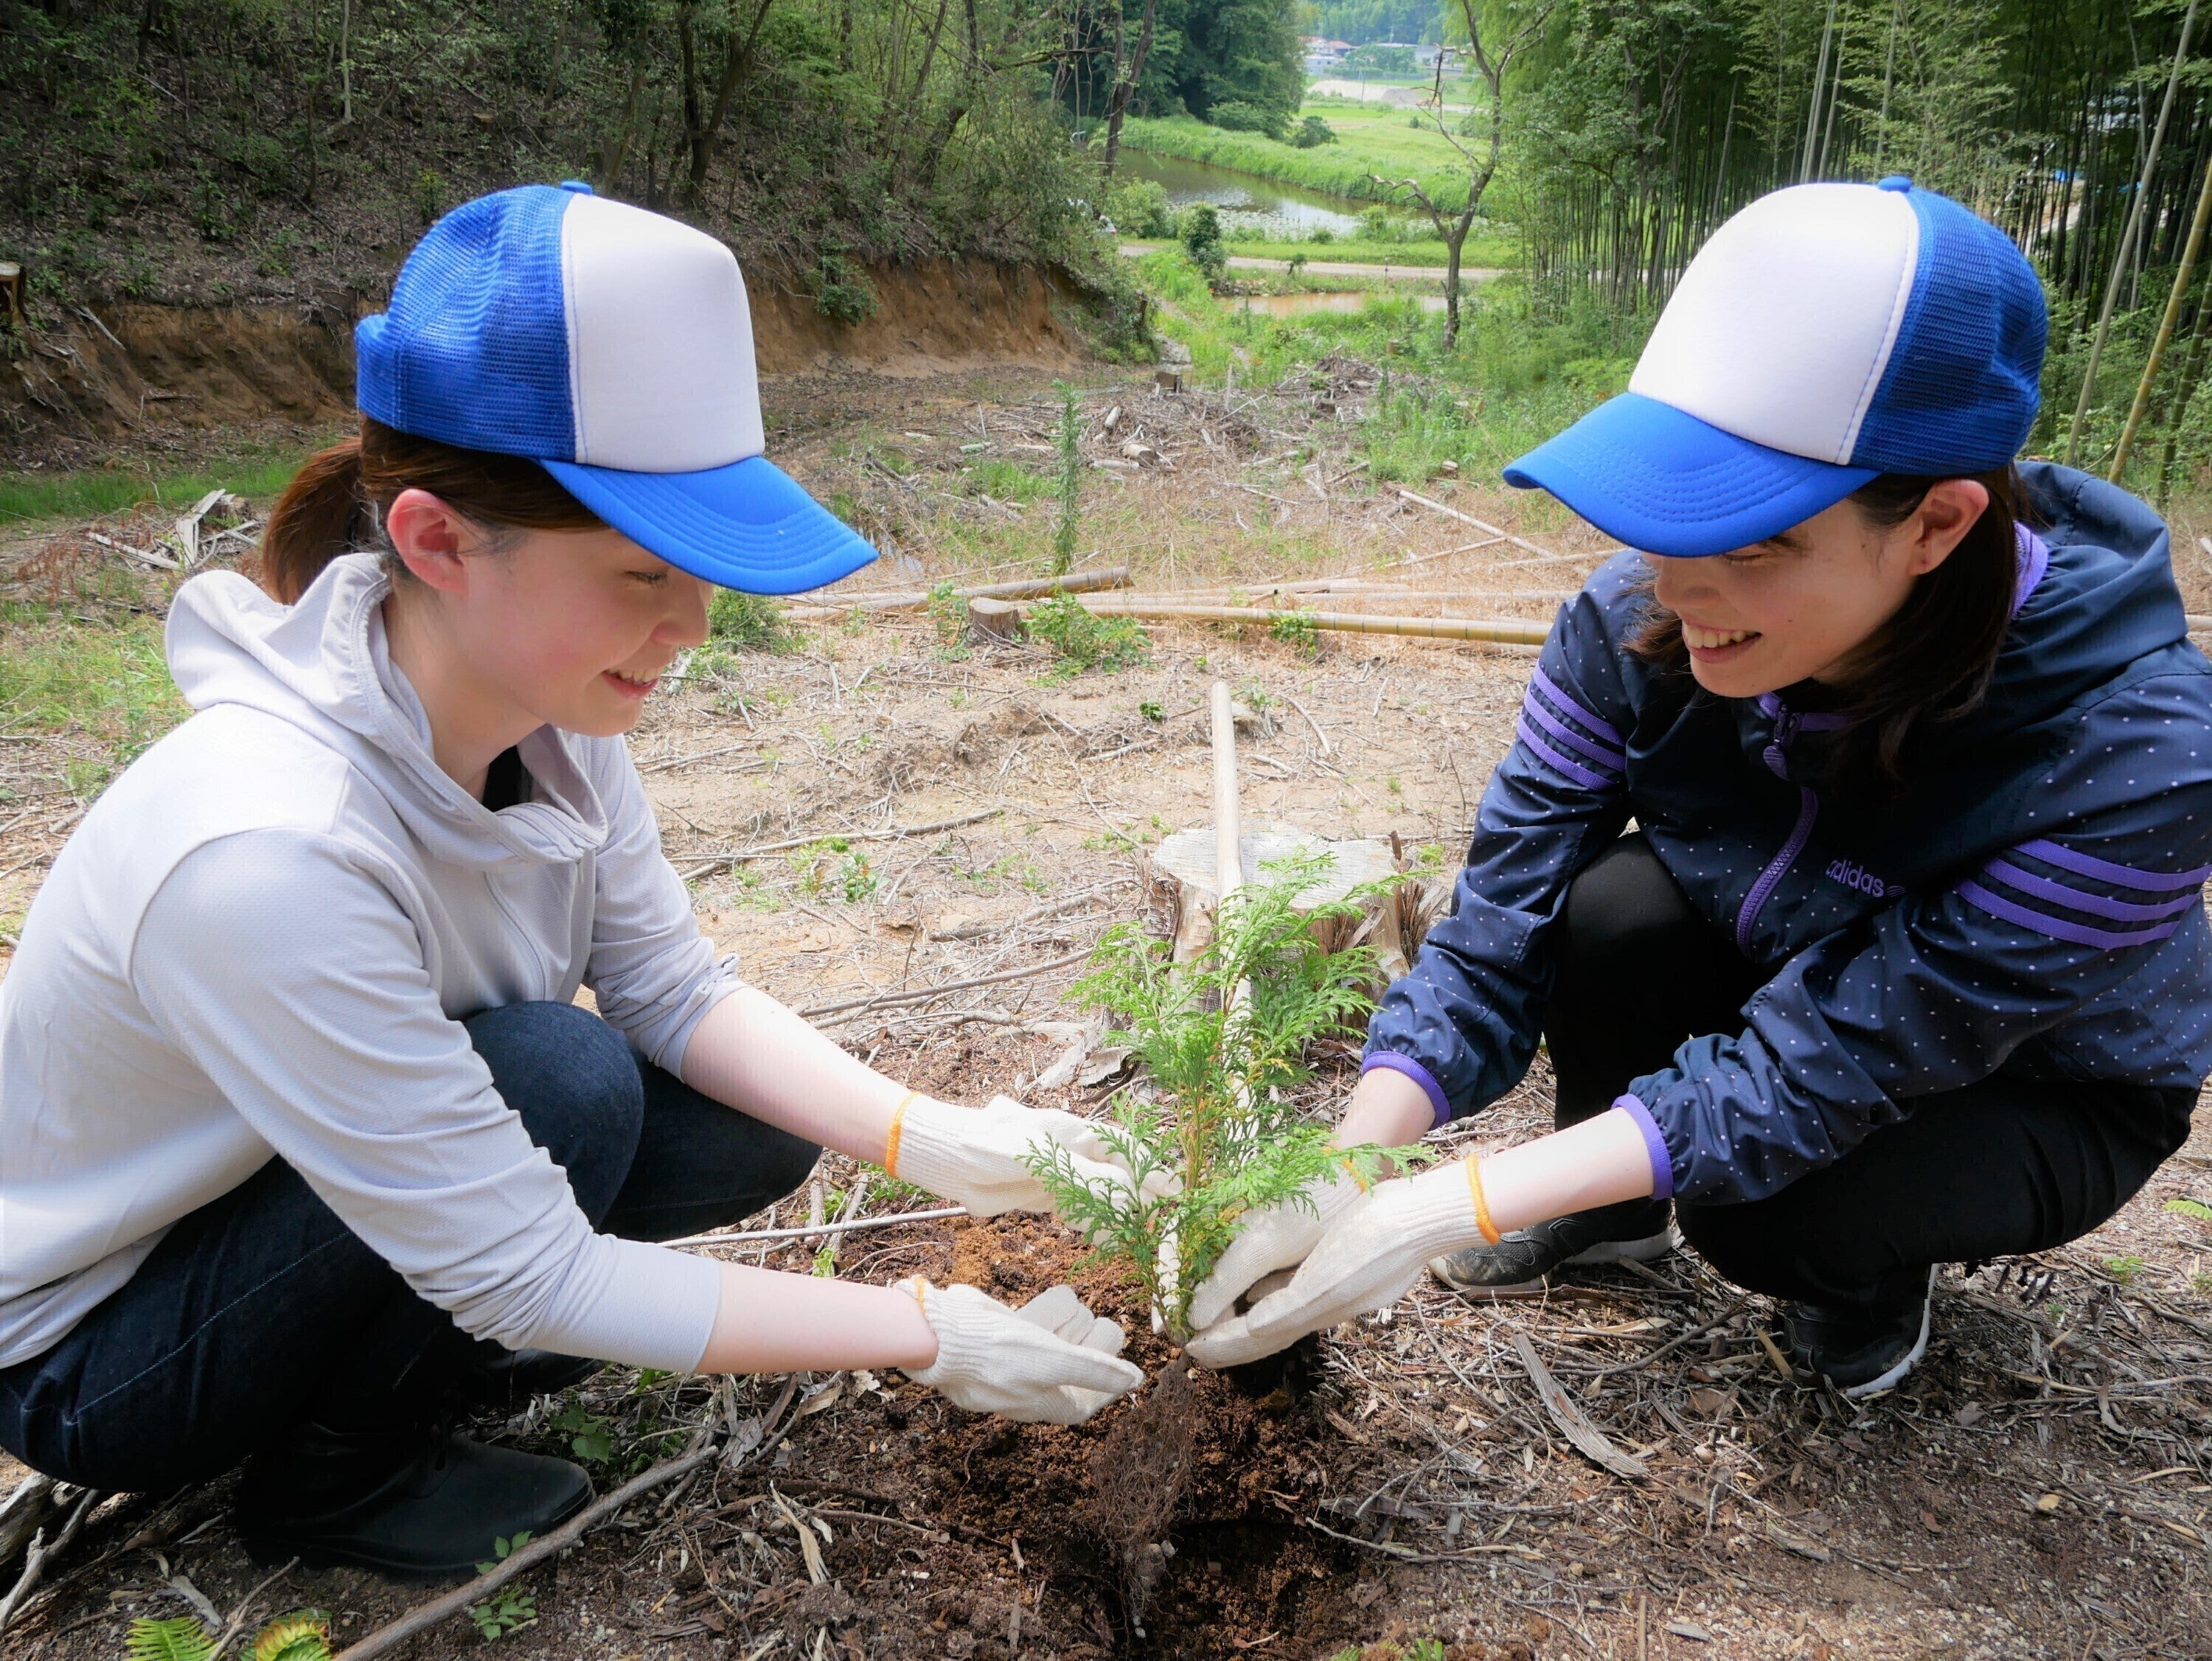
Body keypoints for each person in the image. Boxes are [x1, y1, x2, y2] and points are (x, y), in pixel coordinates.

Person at [0, 183, 1142, 1578]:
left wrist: (934, 1136)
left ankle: (412, 1352)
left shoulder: (548, 706)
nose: (692, 625)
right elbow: (526, 1266)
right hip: (104, 1339)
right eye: (643, 572)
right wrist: (924, 1331)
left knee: (750, 1124)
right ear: (435, 541)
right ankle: (334, 1478)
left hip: (313, 1184)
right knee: (560, 1079)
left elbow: (673, 987)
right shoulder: (266, 850)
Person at [1186, 177, 2212, 1399]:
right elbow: (1500, 926)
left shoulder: (2133, 754)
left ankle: (1869, 1273)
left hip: (2029, 1073)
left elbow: (1837, 1057)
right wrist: (1354, 1163)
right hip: (1787, 948)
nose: (1674, 590)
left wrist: (1454, 1204)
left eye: (1753, 539)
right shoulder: (1635, 613)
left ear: (1937, 525)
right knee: (1605, 913)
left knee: (1772, 1205)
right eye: (1672, 512)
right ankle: (1609, 1211)